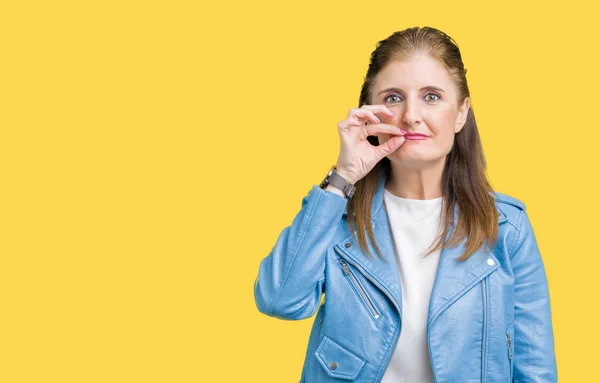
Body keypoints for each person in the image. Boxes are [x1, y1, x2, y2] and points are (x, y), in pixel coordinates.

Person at [253, 26, 557, 382]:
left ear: (461, 112)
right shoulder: (336, 217)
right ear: (371, 113)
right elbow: (279, 300)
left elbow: (535, 369)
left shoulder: (506, 228)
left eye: (431, 97)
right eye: (394, 98)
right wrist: (342, 176)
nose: (411, 115)